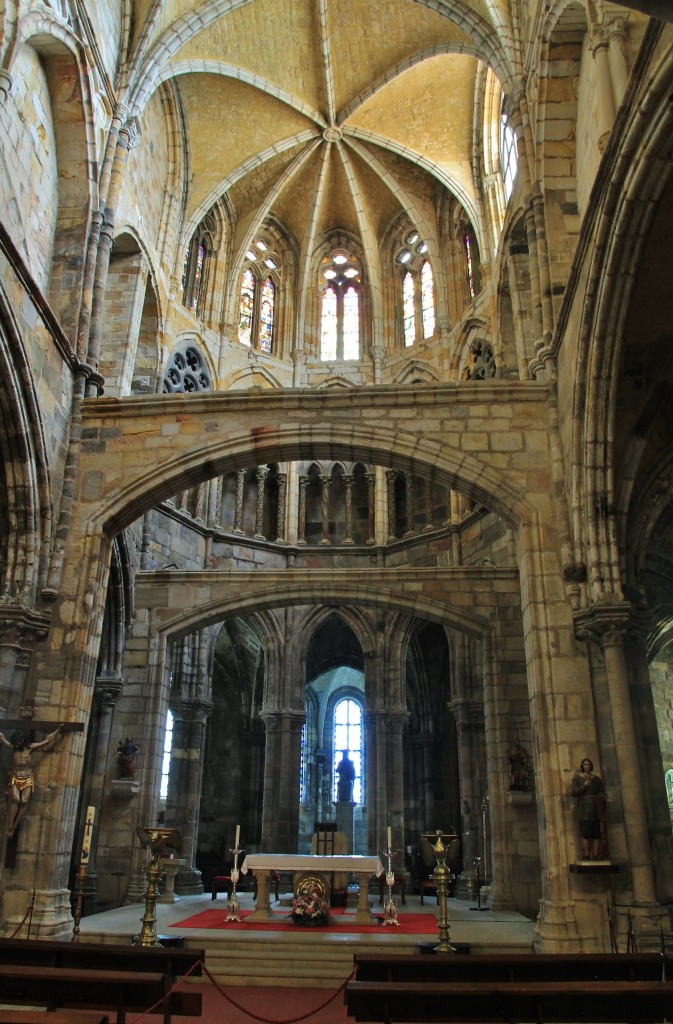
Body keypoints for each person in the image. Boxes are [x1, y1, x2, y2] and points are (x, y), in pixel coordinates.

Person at [0, 724, 65, 838]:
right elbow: (1, 738)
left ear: (22, 741)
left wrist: (58, 730)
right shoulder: (12, 747)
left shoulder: (30, 748)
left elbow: (47, 740)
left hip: (27, 778)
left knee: (24, 801)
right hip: (15, 777)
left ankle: (14, 826)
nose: (17, 744)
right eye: (15, 742)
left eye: (18, 742)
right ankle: (10, 825)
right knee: (16, 799)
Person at [571, 757, 609, 860]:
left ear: (591, 766)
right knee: (586, 832)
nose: (587, 766)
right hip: (584, 807)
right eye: (585, 764)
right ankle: (587, 853)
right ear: (582, 766)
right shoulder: (577, 778)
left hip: (595, 807)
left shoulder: (596, 779)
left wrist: (604, 797)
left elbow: (602, 791)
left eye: (589, 764)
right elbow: (574, 792)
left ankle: (596, 854)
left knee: (596, 832)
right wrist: (584, 785)